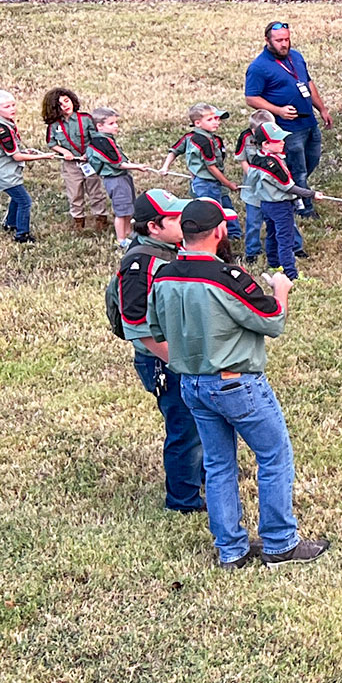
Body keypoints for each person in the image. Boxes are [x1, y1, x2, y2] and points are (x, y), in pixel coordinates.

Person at [143, 198, 327, 568]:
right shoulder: (226, 277)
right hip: (236, 383)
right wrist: (280, 289)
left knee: (218, 463)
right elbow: (272, 321)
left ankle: (231, 550)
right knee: (274, 455)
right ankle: (279, 543)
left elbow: (154, 327)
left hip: (192, 384)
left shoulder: (162, 275)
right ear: (218, 232)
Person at [106, 188, 205, 513]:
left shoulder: (166, 249)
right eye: (175, 218)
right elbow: (137, 325)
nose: (184, 222)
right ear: (154, 227)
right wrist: (177, 360)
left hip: (181, 354)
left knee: (198, 421)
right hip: (164, 362)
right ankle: (183, 500)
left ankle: (201, 473)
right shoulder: (140, 264)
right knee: (183, 426)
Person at [243, 20, 330, 217]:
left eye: (287, 39)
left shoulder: (296, 57)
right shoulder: (259, 67)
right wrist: (278, 110)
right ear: (267, 41)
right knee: (297, 168)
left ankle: (288, 190)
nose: (284, 44)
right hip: (287, 128)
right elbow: (251, 97)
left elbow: (308, 83)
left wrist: (322, 109)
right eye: (279, 40)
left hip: (308, 122)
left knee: (312, 160)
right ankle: (304, 208)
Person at [243, 123, 322, 280]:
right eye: (278, 140)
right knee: (286, 239)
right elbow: (289, 187)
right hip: (280, 206)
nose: (283, 142)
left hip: (265, 204)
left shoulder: (257, 158)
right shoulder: (274, 165)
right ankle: (291, 274)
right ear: (266, 144)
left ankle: (274, 265)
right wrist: (312, 194)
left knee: (272, 234)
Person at [164, 104, 243, 252]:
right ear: (197, 123)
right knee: (213, 211)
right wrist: (228, 183)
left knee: (226, 206)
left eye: (217, 118)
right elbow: (211, 167)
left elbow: (174, 150)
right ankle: (218, 239)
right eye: (211, 119)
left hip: (215, 181)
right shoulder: (202, 141)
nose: (216, 122)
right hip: (207, 183)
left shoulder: (212, 139)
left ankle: (233, 234)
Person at [0, 90, 50, 244]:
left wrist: (26, 151)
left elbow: (12, 150)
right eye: (7, 106)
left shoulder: (5, 124)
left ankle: (10, 223)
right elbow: (16, 156)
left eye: (13, 105)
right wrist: (43, 156)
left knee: (17, 197)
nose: (12, 109)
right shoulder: (2, 129)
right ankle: (22, 234)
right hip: (2, 171)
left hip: (7, 169)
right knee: (25, 201)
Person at [42, 87, 111, 233]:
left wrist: (89, 153)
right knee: (74, 193)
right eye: (59, 105)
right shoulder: (54, 126)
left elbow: (96, 138)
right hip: (71, 164)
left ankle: (101, 218)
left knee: (95, 191)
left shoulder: (85, 119)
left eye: (66, 101)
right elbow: (51, 143)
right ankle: (78, 220)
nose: (65, 106)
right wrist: (64, 151)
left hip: (89, 162)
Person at [82, 107, 151, 246]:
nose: (116, 126)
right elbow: (117, 164)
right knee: (121, 210)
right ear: (99, 126)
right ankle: (121, 239)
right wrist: (137, 166)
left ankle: (128, 233)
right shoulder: (102, 143)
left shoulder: (106, 140)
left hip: (122, 178)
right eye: (112, 123)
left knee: (127, 208)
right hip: (115, 179)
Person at [233, 111, 272, 264]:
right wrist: (253, 176)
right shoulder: (245, 137)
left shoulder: (276, 136)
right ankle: (252, 251)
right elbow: (242, 159)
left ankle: (290, 247)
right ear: (255, 131)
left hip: (272, 186)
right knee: (253, 221)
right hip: (252, 187)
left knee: (279, 219)